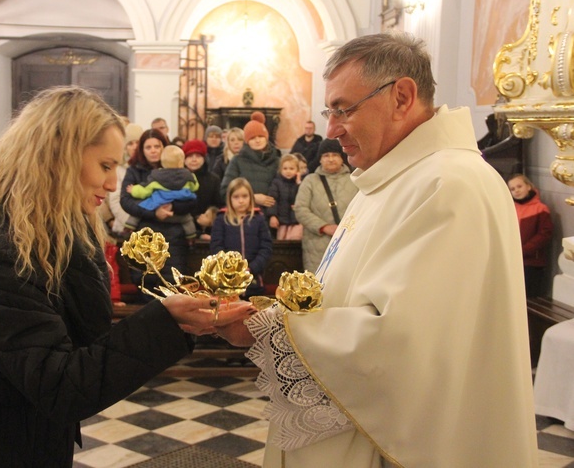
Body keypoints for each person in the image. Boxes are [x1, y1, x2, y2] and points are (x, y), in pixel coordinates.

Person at [215, 32, 538, 467]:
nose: (332, 129)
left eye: (343, 109)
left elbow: (404, 343)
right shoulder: (389, 176)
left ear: (401, 97)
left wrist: (271, 330)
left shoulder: (450, 185)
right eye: (329, 111)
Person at [0, 86, 254, 468]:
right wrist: (166, 321)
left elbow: (84, 347)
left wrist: (182, 321)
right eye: (105, 166)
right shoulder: (2, 257)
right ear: (57, 160)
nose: (111, 184)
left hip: (24, 436)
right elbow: (61, 384)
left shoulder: (54, 238)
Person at [120, 129, 197, 300]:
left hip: (174, 234)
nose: (153, 150)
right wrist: (154, 213)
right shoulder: (134, 170)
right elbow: (126, 201)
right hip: (145, 234)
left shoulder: (178, 170)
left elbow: (191, 200)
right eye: (148, 147)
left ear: (165, 148)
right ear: (142, 149)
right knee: (145, 281)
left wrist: (172, 208)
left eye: (157, 146)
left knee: (173, 281)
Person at [293, 138, 357, 272]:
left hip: (349, 242)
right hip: (317, 245)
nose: (331, 159)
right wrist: (324, 227)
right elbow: (301, 209)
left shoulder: (355, 179)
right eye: (326, 155)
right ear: (320, 159)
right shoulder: (310, 181)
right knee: (319, 288)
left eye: (335, 155)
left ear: (342, 157)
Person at [210, 178, 272, 298]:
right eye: (236, 197)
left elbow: (266, 248)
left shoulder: (258, 219)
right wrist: (230, 268)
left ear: (250, 197)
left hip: (254, 280)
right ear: (229, 198)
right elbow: (216, 247)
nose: (241, 201)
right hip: (227, 281)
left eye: (245, 196)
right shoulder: (221, 219)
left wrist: (252, 268)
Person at [125, 144, 198, 240]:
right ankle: (191, 237)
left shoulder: (157, 176)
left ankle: (129, 226)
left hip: (157, 207)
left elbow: (145, 190)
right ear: (181, 162)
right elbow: (195, 187)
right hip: (178, 215)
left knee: (141, 208)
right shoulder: (188, 176)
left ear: (162, 162)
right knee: (188, 220)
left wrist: (133, 190)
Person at [220, 112, 280, 209]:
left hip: (273, 216)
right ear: (247, 141)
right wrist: (252, 198)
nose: (257, 140)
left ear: (266, 138)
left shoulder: (277, 161)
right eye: (252, 138)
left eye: (260, 136)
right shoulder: (238, 161)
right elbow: (225, 191)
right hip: (246, 214)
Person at [508, 173, 553, 297]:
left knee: (530, 298)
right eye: (512, 189)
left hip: (532, 263)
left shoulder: (540, 209)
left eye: (519, 186)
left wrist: (524, 250)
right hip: (513, 261)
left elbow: (544, 234)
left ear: (528, 186)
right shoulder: (510, 208)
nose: (516, 191)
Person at [101, 122, 143, 236]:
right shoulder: (119, 168)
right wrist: (131, 224)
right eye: (130, 143)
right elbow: (115, 200)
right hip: (125, 228)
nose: (134, 146)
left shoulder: (145, 167)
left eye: (137, 142)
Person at [182, 139, 223, 237]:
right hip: (183, 229)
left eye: (198, 156)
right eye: (190, 156)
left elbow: (219, 205)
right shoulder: (178, 179)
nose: (194, 159)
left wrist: (209, 218)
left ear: (204, 158)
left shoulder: (213, 180)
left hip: (208, 230)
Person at [266, 153, 303, 241]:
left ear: (297, 170)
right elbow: (273, 200)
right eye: (285, 168)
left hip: (296, 221)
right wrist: (272, 215)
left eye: (291, 168)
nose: (288, 171)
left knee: (295, 241)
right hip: (281, 221)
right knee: (281, 242)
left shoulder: (299, 184)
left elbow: (303, 196)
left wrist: (299, 183)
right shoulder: (276, 183)